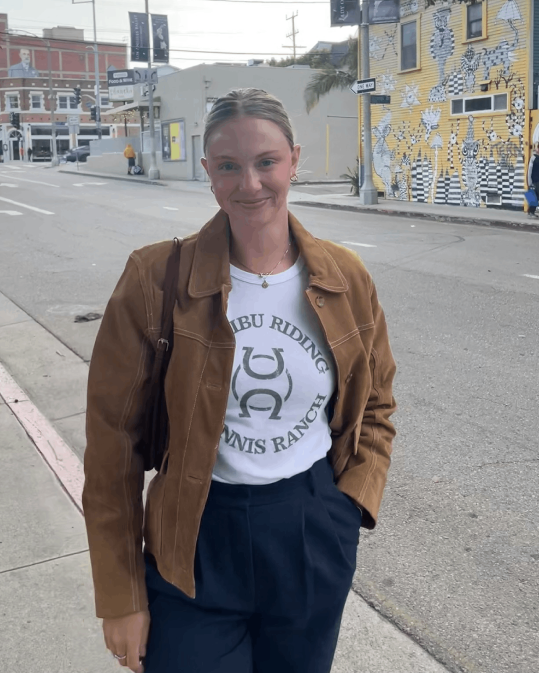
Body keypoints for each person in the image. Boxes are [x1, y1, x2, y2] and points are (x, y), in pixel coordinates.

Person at [83, 88, 397, 673]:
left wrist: (348, 509)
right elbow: (111, 447)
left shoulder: (345, 277)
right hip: (194, 540)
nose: (249, 184)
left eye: (266, 162)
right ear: (208, 173)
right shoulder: (155, 279)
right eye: (229, 165)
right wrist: (121, 594)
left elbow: (376, 403)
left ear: (294, 161)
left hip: (309, 531)